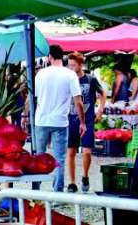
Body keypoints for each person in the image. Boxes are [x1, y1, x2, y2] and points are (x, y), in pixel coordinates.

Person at [32, 45, 85, 192]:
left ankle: (36, 191)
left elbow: (33, 98)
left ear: (49, 57)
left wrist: (25, 115)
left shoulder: (40, 74)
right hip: (60, 122)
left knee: (38, 157)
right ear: (63, 57)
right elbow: (78, 102)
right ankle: (57, 193)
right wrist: (82, 122)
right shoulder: (70, 75)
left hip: (41, 120)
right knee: (59, 158)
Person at [66, 52, 106, 193]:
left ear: (80, 64)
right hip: (71, 119)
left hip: (88, 119)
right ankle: (71, 182)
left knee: (87, 151)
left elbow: (102, 94)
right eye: (69, 65)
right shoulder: (67, 80)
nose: (70, 68)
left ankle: (85, 175)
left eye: (73, 65)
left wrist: (100, 109)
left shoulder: (90, 79)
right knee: (70, 151)